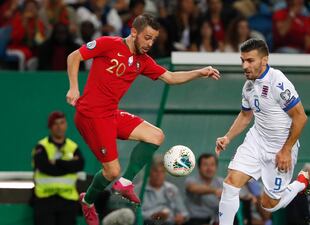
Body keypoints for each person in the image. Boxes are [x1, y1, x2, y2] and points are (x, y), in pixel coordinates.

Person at [65, 14, 220, 225]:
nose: (150, 43)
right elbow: (74, 56)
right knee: (112, 171)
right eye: (147, 37)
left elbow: (171, 78)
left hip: (111, 114)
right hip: (91, 115)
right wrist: (74, 87)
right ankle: (89, 201)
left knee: (156, 136)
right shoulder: (108, 44)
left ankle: (126, 183)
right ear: (134, 32)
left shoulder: (143, 61)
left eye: (154, 39)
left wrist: (200, 72)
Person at [215, 39, 309, 225]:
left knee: (269, 205)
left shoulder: (277, 81)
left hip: (281, 147)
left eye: (250, 60)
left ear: (264, 60)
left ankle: (299, 184)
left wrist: (286, 150)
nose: (244, 66)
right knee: (230, 183)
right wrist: (228, 137)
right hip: (257, 140)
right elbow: (245, 115)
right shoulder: (248, 86)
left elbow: (301, 117)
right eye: (242, 60)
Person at [32, 111, 84, 225]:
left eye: (62, 123)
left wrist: (56, 162)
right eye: (55, 124)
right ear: (50, 127)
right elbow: (45, 167)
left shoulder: (73, 147)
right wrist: (68, 165)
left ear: (66, 125)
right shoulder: (41, 146)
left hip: (68, 199)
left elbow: (79, 165)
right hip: (44, 199)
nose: (59, 127)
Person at [141, 155, 189, 225]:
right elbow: (134, 214)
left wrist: (182, 217)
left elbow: (184, 213)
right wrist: (153, 216)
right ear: (149, 172)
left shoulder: (172, 189)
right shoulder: (139, 190)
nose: (159, 175)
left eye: (162, 171)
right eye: (156, 171)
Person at [185, 153, 224, 225]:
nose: (209, 168)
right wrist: (214, 190)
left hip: (216, 221)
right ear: (199, 167)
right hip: (195, 221)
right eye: (205, 165)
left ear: (216, 167)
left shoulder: (221, 182)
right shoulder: (191, 180)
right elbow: (193, 188)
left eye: (212, 165)